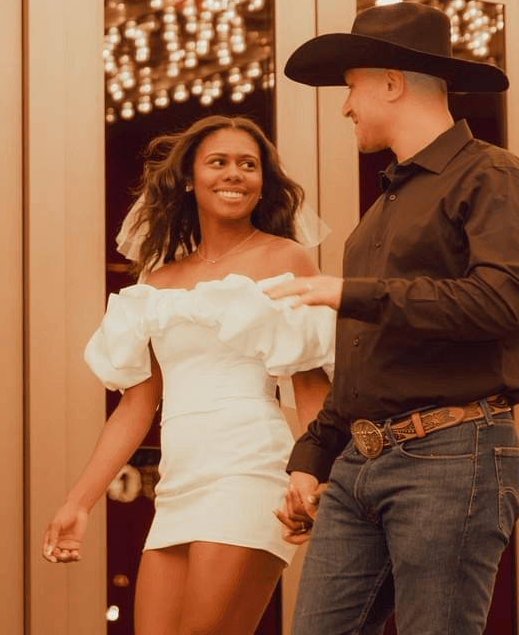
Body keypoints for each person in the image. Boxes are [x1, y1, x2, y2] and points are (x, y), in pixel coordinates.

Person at [268, 1, 519, 634]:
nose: (346, 107)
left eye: (351, 89)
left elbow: (502, 304)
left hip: (455, 454)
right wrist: (313, 456)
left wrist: (353, 293)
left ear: (392, 83)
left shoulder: (495, 177)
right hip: (358, 464)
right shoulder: (382, 210)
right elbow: (370, 357)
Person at [42, 115, 335, 635]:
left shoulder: (284, 259)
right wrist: (78, 503)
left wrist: (315, 478)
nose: (235, 174)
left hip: (250, 471)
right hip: (178, 485)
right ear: (188, 179)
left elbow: (312, 386)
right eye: (218, 162)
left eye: (249, 164)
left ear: (262, 181)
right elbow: (136, 406)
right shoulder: (159, 282)